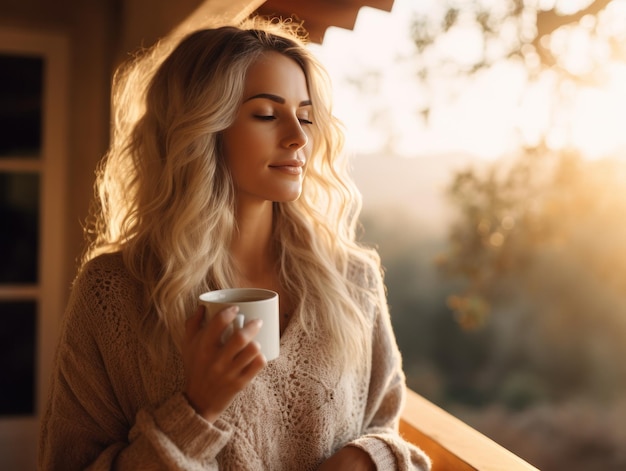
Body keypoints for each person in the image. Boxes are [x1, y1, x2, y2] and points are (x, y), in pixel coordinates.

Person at [38, 17, 431, 471]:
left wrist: (363, 460)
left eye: (305, 116)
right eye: (267, 114)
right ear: (201, 129)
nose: (299, 137)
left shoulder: (351, 280)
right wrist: (195, 410)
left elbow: (385, 426)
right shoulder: (113, 293)